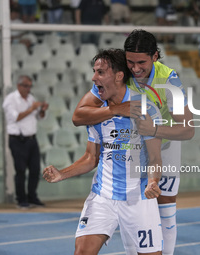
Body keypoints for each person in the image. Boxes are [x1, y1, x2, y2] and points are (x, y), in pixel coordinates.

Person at [72, 29, 194, 255]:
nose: (135, 69)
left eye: (141, 63)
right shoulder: (119, 73)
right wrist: (117, 109)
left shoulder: (169, 79)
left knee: (164, 204)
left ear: (155, 57)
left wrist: (154, 128)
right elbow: (79, 115)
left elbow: (188, 129)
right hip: (132, 143)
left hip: (164, 141)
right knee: (132, 202)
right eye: (130, 62)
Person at [43, 49, 163, 255]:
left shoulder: (145, 108)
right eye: (94, 71)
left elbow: (155, 157)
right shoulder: (98, 113)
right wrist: (63, 174)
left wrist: (153, 181)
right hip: (103, 196)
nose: (93, 77)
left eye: (100, 72)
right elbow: (91, 157)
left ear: (118, 76)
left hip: (138, 198)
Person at [3, 75, 49, 209]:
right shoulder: (10, 100)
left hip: (31, 139)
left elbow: (38, 118)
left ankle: (32, 197)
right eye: (26, 86)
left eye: (30, 86)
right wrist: (32, 109)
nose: (29, 89)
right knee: (21, 170)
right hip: (18, 140)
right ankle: (21, 199)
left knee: (35, 170)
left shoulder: (31, 99)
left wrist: (42, 111)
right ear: (19, 86)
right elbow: (15, 117)